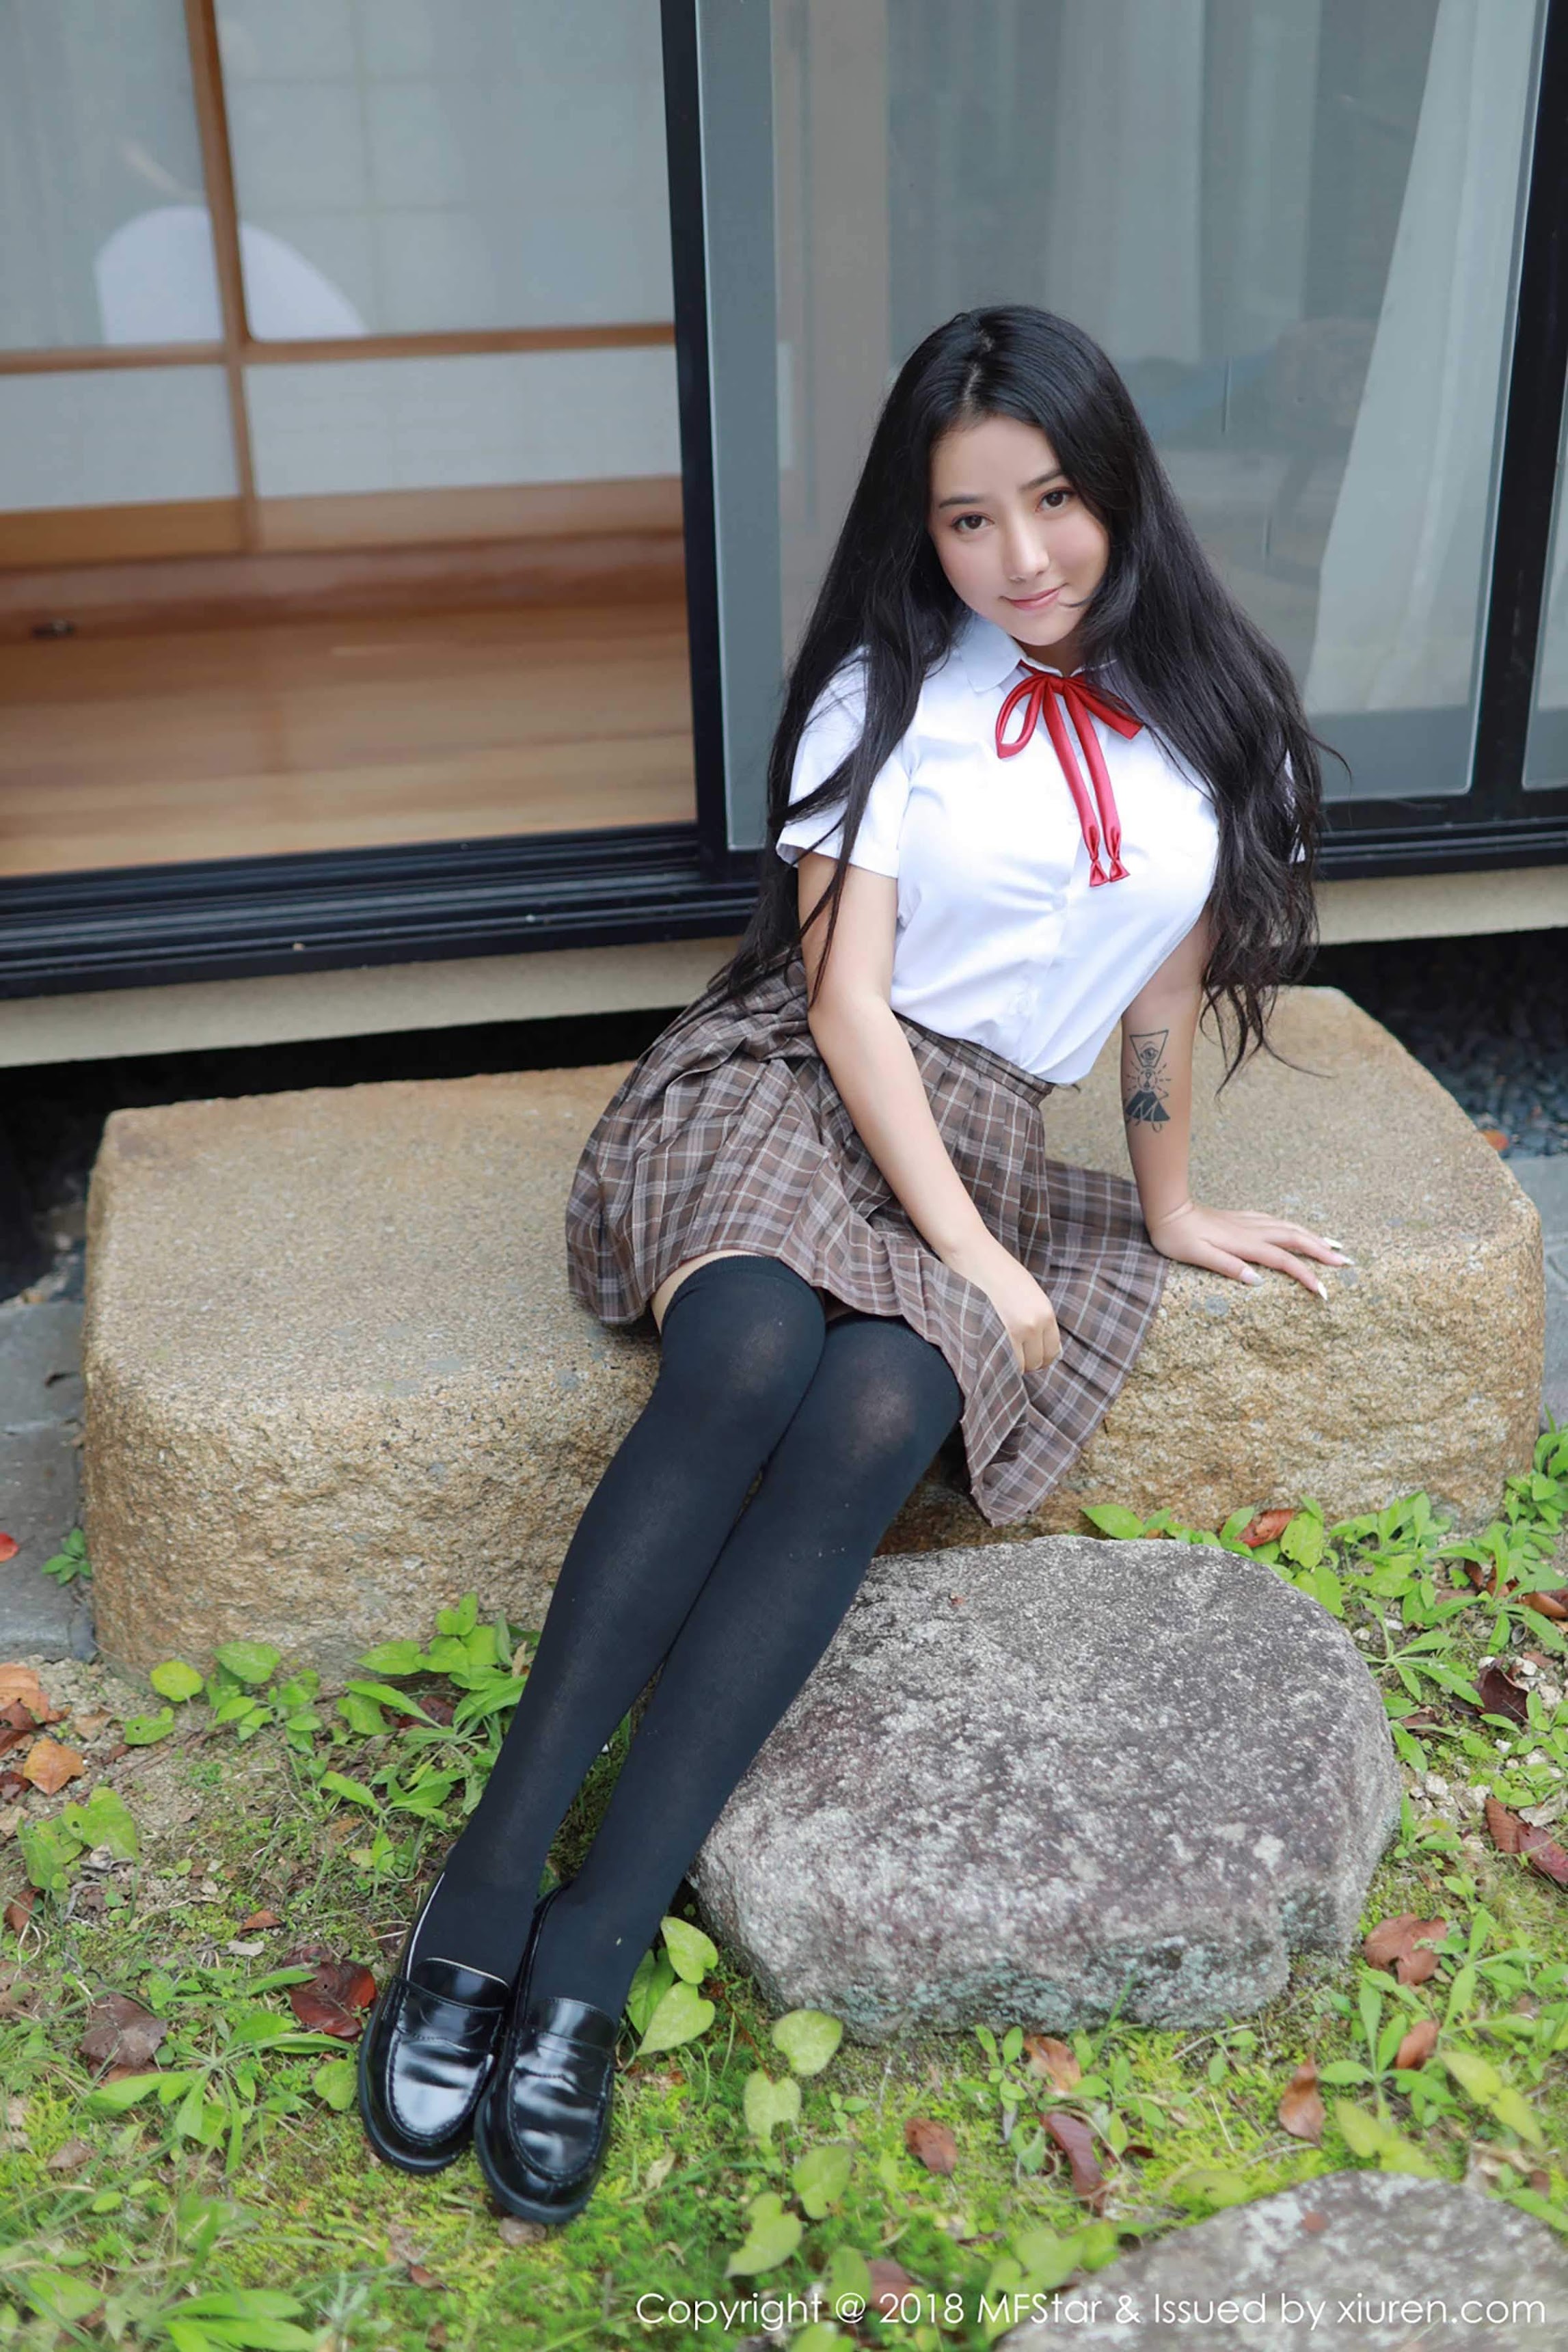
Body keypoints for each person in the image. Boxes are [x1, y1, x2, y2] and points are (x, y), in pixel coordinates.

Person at [357, 304, 1347, 2223]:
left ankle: (595, 1947)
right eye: (970, 520)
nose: (1021, 556)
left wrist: (1163, 1208)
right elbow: (845, 1004)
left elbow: (1157, 1006)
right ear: (925, 531)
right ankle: (481, 1899)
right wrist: (975, 1251)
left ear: (1118, 484)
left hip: (992, 1127)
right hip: (802, 1084)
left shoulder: (1212, 725)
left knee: (880, 1402)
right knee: (747, 1352)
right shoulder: (886, 700)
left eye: (1052, 502)